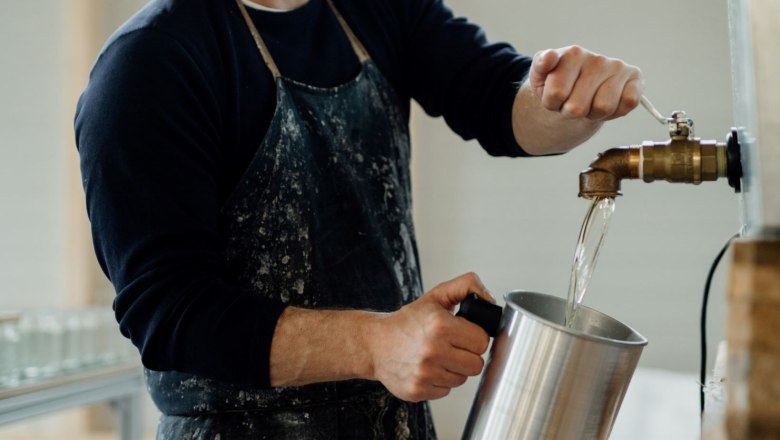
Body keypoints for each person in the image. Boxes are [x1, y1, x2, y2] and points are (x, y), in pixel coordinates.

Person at [75, 0, 642, 438]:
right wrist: (375, 346)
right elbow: (170, 316)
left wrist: (570, 100)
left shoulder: (374, 8)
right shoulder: (149, 63)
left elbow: (498, 101)